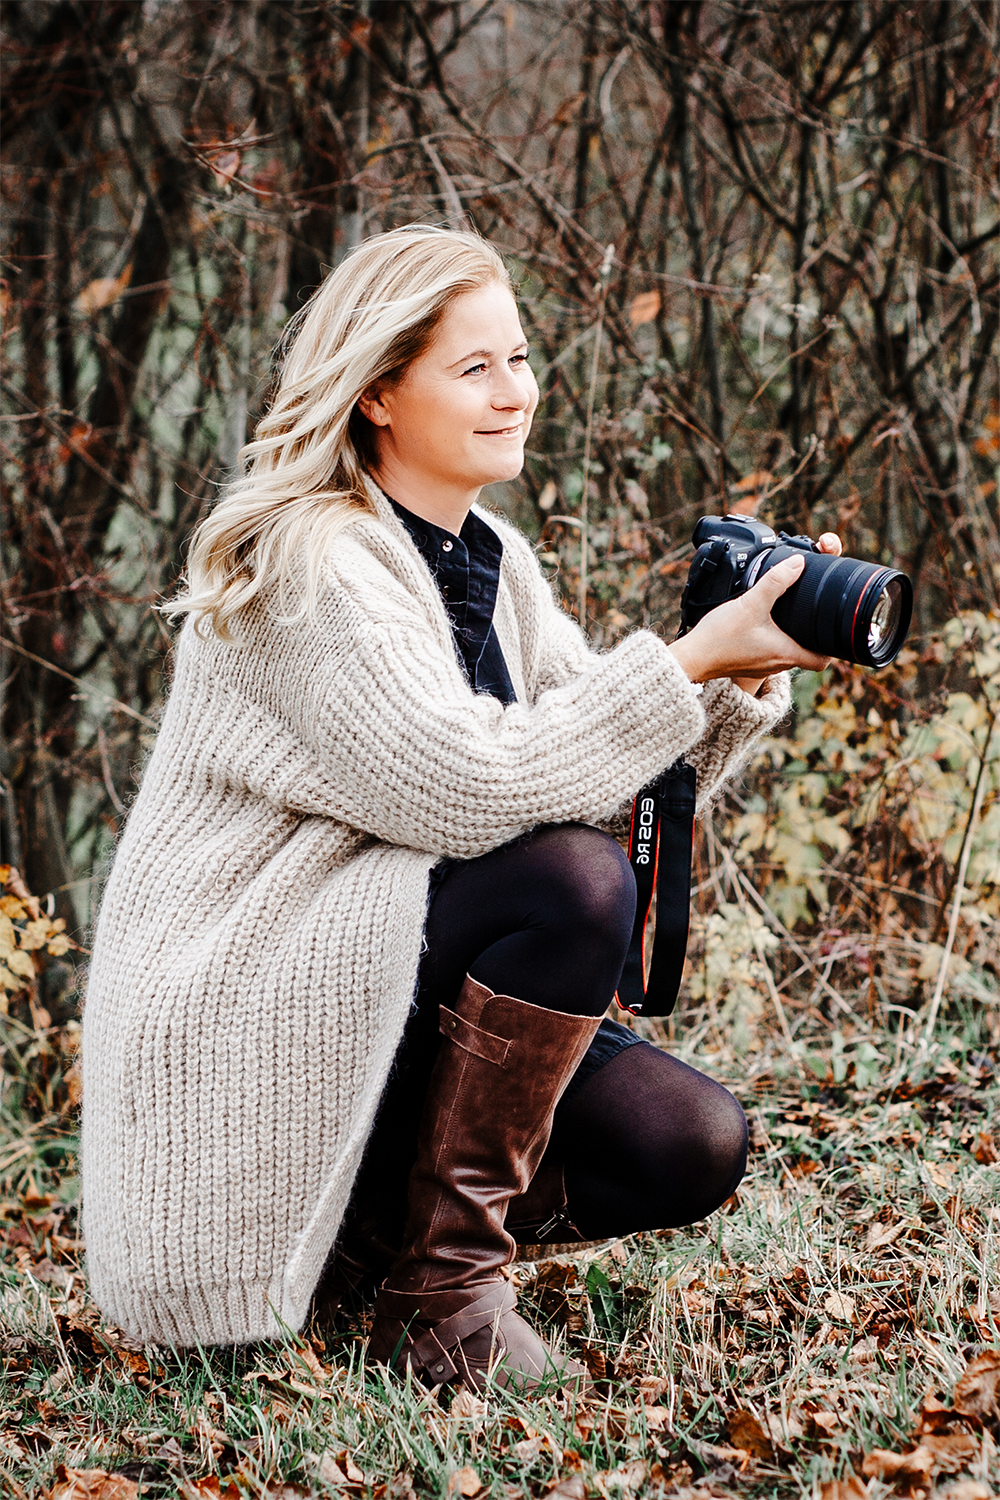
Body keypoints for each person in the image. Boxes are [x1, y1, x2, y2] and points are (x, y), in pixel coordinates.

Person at [81, 225, 841, 1389]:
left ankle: (370, 1256)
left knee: (686, 1142)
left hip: (381, 986)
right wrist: (681, 666)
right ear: (379, 391)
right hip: (256, 997)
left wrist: (738, 672)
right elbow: (467, 787)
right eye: (473, 368)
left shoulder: (490, 557)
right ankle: (442, 1302)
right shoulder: (311, 562)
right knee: (570, 879)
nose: (514, 393)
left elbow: (599, 765)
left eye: (522, 361)